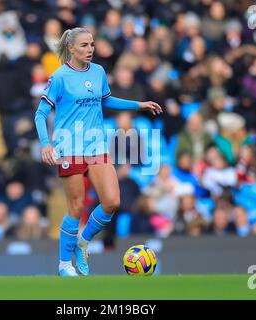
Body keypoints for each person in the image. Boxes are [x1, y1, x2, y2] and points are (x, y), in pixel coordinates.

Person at [34, 27, 162, 277]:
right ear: (71, 48)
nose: (90, 49)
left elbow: (105, 100)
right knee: (76, 206)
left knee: (112, 202)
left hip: (96, 146)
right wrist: (45, 143)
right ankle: (63, 265)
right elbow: (40, 114)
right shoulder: (59, 77)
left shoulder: (99, 72)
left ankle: (83, 240)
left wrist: (139, 105)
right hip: (69, 147)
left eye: (91, 44)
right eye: (84, 45)